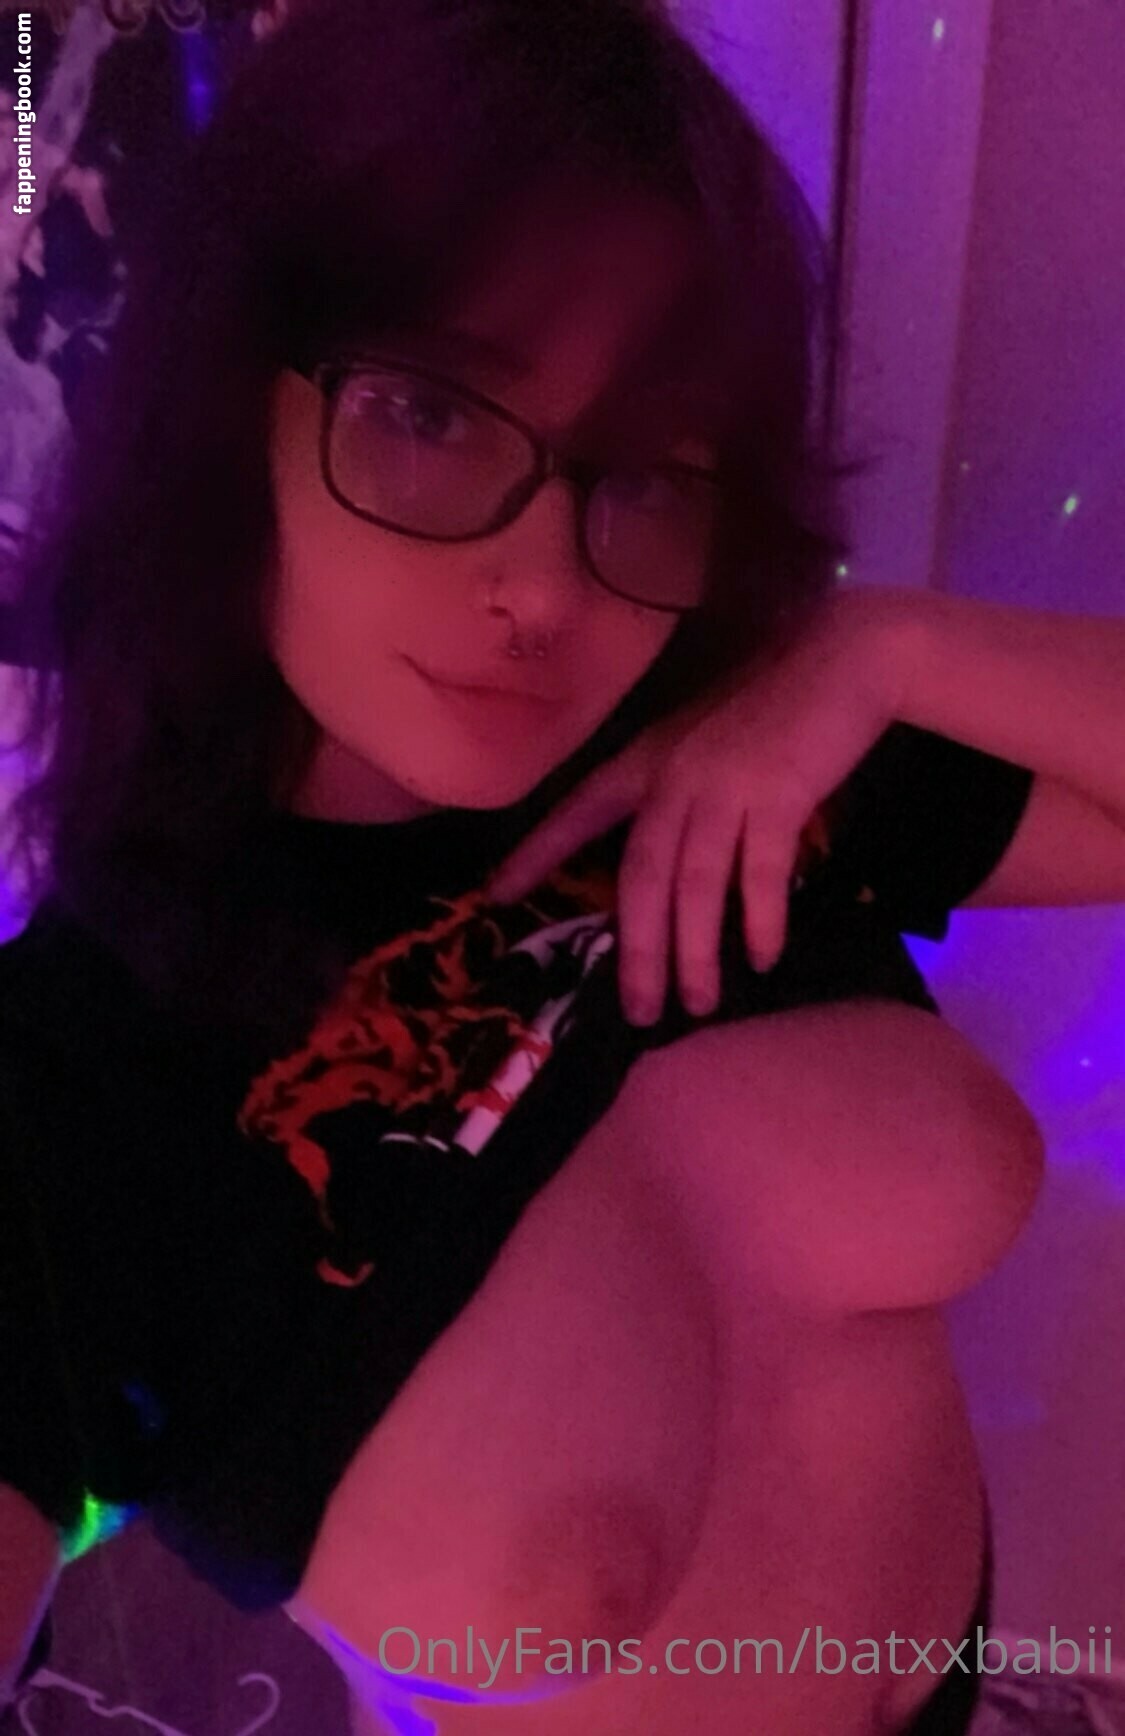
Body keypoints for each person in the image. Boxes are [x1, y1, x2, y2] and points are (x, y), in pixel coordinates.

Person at [0, 0, 1113, 1729]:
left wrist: (881, 648)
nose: (542, 589)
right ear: (230, 416)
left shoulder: (727, 757)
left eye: (648, 474)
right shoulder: (72, 1074)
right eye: (428, 414)